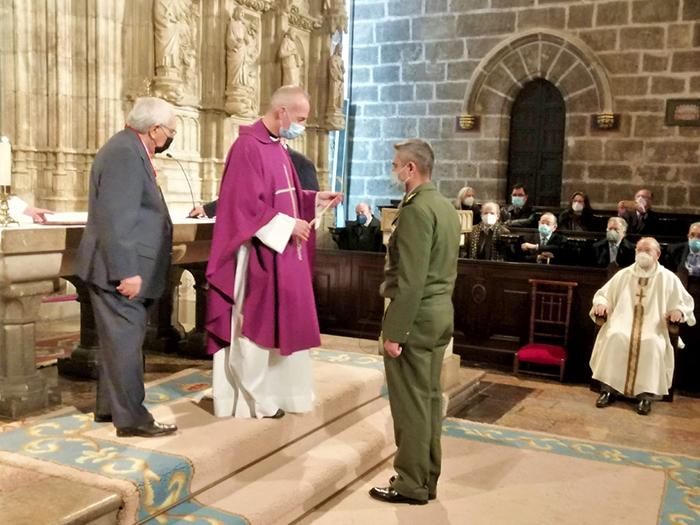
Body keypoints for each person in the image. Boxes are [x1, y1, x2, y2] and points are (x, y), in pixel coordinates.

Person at [205, 86, 342, 419]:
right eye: (300, 119)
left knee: (285, 324)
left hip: (282, 255)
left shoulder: (277, 147)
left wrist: (313, 199)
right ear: (282, 112)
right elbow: (241, 205)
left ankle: (282, 394)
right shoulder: (248, 147)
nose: (301, 126)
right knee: (255, 326)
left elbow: (284, 196)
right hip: (258, 258)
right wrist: (286, 226)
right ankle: (253, 399)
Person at [73, 97, 177, 437]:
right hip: (118, 271)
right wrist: (127, 272)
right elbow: (117, 219)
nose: (170, 137)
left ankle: (109, 408)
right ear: (156, 129)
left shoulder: (129, 147)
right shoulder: (124, 152)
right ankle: (132, 419)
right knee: (127, 344)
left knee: (119, 343)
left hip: (120, 267)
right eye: (171, 131)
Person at [369, 139, 460, 506]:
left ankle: (410, 483)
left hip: (416, 317)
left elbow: (410, 279)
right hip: (438, 313)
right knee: (428, 400)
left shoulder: (417, 210)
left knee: (410, 405)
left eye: (395, 165)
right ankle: (426, 478)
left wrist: (394, 332)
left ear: (411, 169)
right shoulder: (444, 206)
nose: (393, 171)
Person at [590, 237, 695, 415]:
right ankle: (608, 390)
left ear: (658, 254)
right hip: (622, 323)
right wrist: (602, 304)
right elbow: (603, 295)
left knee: (652, 343)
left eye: (647, 251)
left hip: (654, 326)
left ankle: (646, 396)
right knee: (615, 337)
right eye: (639, 250)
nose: (642, 254)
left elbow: (685, 303)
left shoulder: (668, 278)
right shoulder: (624, 274)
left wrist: (679, 311)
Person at [188, 147, 319, 218]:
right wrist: (208, 209)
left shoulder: (302, 163)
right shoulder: (261, 158)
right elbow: (244, 195)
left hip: (289, 236)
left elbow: (309, 206)